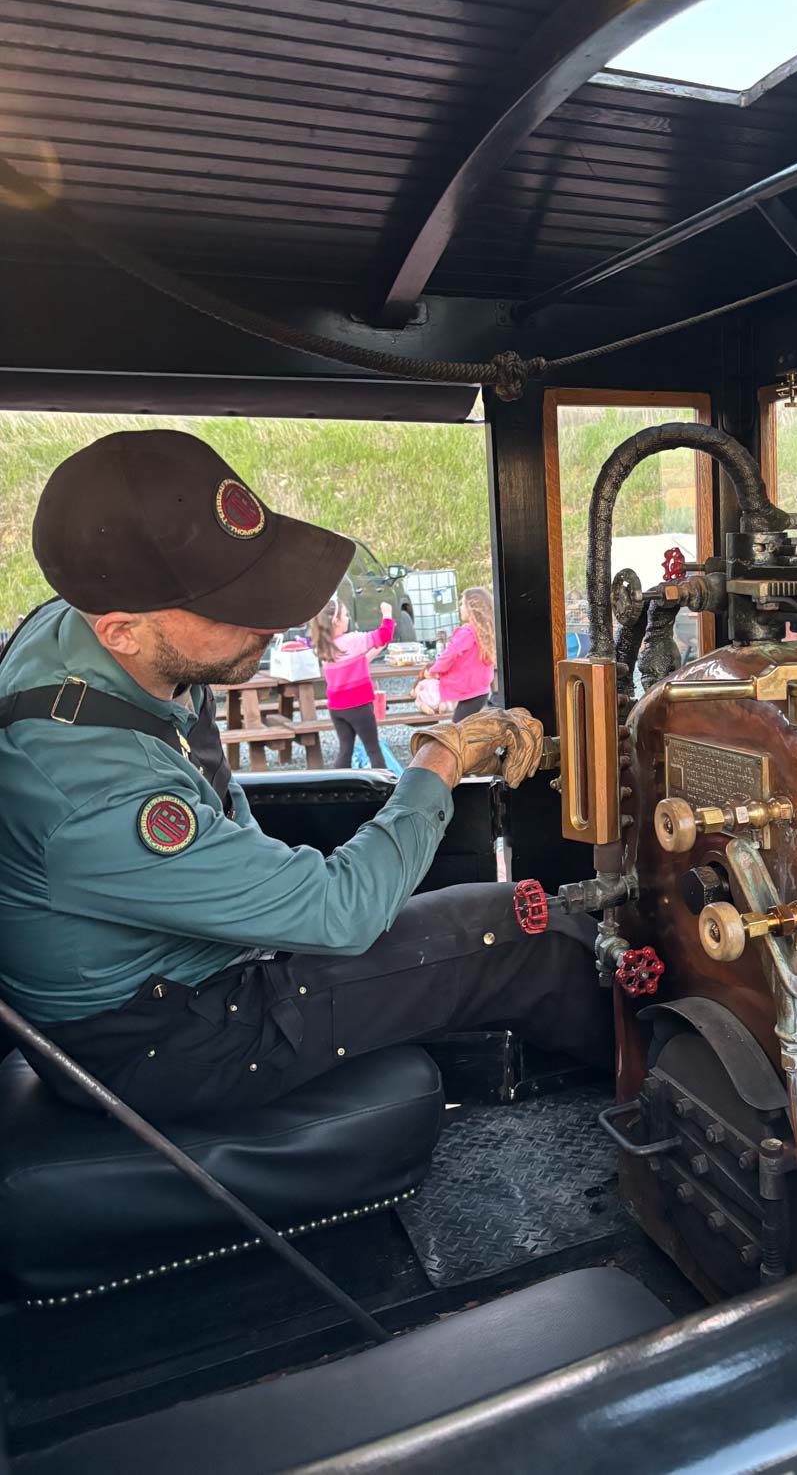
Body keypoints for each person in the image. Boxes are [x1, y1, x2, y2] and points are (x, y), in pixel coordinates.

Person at [0, 429, 610, 1120]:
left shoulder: (92, 636)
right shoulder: (94, 791)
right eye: (231, 604)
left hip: (160, 977)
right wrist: (442, 755)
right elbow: (340, 913)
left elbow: (218, 792)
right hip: (165, 1042)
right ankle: (655, 1106)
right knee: (523, 930)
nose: (276, 619)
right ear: (122, 631)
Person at [308, 593, 393, 770]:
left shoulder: (325, 646)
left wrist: (376, 650)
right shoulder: (352, 640)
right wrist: (387, 614)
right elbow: (385, 634)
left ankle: (338, 788)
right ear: (336, 621)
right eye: (345, 615)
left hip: (337, 708)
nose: (347, 619)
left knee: (345, 750)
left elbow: (355, 661)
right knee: (373, 750)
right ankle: (385, 789)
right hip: (359, 706)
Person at [420, 586, 496, 723]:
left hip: (471, 694)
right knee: (468, 730)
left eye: (462, 604)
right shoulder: (483, 632)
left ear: (472, 608)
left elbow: (449, 654)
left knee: (458, 732)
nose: (460, 607)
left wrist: (434, 670)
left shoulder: (466, 633)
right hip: (481, 691)